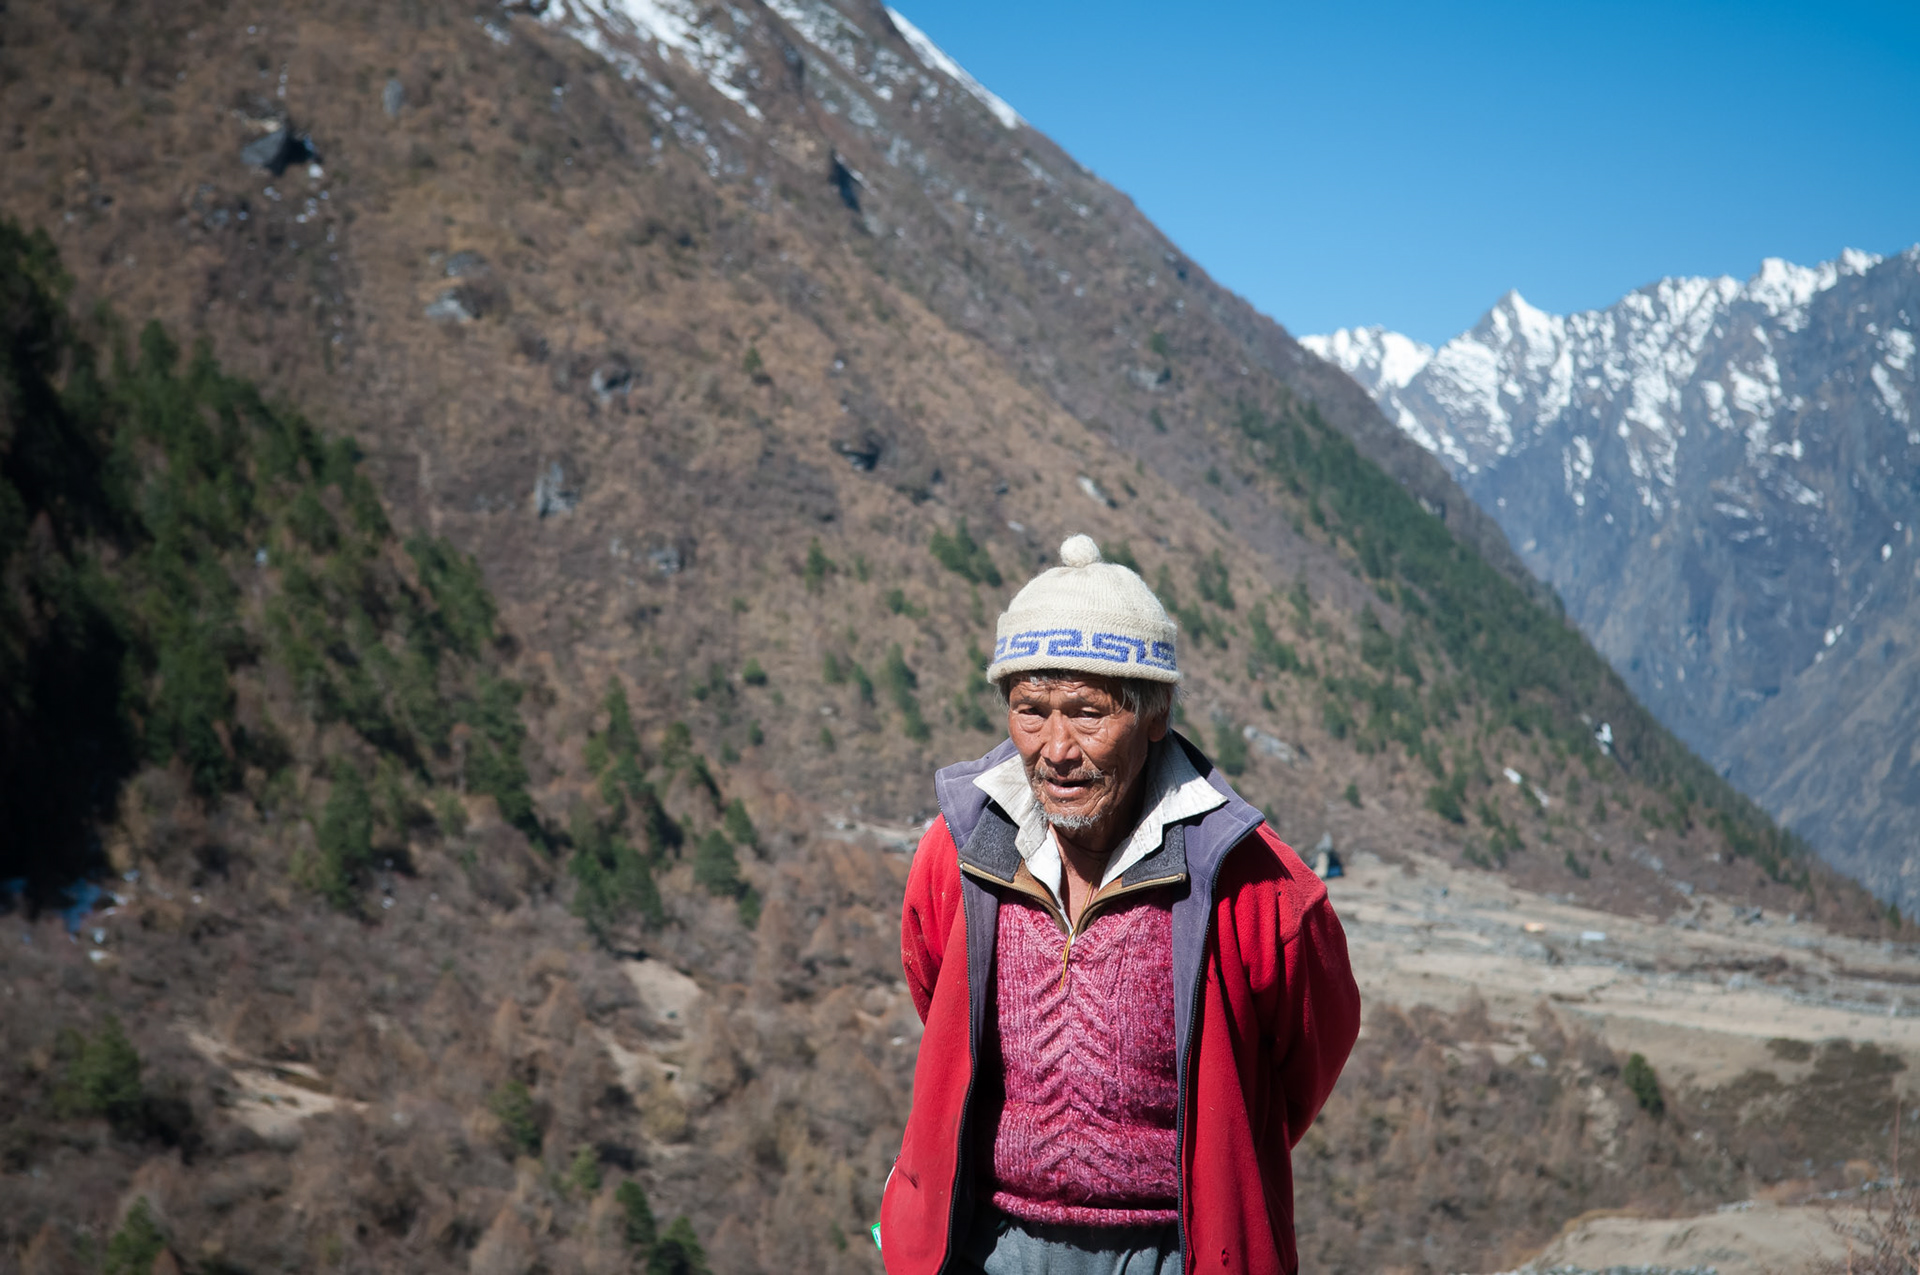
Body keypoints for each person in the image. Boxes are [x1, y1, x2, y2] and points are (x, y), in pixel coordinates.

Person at [879, 535, 1360, 1275]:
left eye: (1088, 712)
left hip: (1178, 1252)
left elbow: (1300, 1062)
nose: (1056, 747)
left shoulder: (1254, 886)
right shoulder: (958, 852)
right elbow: (937, 994)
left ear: (1156, 713)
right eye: (1031, 710)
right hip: (989, 1242)